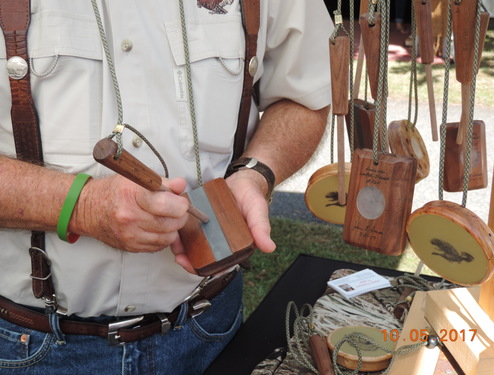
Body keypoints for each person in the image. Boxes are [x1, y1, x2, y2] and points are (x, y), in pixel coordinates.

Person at [0, 0, 332, 374]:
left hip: (209, 329)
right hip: (33, 345)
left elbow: (305, 96)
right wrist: (83, 206)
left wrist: (255, 173)